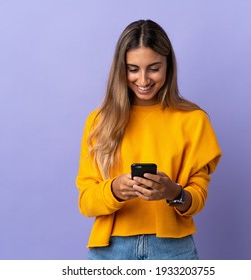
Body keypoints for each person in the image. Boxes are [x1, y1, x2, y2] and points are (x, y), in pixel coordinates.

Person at [76, 19, 221, 260]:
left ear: (168, 67)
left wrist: (172, 191)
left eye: (154, 68)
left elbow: (197, 199)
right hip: (111, 249)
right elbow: (86, 202)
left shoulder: (194, 120)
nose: (143, 80)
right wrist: (114, 189)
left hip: (172, 249)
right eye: (133, 69)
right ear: (120, 69)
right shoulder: (99, 121)